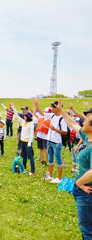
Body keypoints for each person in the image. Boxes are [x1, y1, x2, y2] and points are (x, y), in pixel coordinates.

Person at [53, 98, 92, 239]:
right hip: (82, 190)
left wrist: (79, 183)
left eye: (86, 122)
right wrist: (61, 110)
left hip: (87, 192)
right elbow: (71, 122)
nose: (83, 122)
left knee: (87, 230)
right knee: (86, 227)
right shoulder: (87, 137)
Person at [32, 98, 68, 183]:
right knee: (50, 159)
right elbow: (42, 113)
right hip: (49, 140)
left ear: (58, 108)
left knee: (59, 160)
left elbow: (65, 132)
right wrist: (36, 104)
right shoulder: (52, 116)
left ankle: (59, 178)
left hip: (57, 142)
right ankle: (50, 176)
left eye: (53, 107)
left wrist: (55, 129)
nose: (52, 109)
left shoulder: (63, 119)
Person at [12, 104, 35, 175]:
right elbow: (17, 116)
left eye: (25, 116)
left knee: (30, 157)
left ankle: (32, 170)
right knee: (24, 156)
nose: (24, 117)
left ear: (28, 117)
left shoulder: (31, 124)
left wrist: (29, 143)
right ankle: (24, 167)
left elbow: (32, 134)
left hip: (28, 143)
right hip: (23, 142)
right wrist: (13, 107)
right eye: (24, 116)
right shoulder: (23, 122)